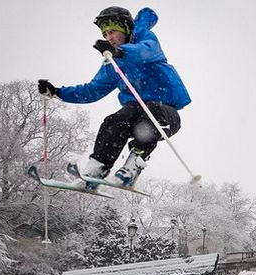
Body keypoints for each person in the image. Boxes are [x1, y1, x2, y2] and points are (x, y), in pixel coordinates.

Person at [38, 7, 191, 189]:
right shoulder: (112, 63)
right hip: (134, 112)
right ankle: (96, 169)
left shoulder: (145, 38)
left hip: (166, 114)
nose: (109, 37)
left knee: (150, 113)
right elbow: (92, 90)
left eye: (112, 31)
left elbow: (145, 50)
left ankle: (133, 165)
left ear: (125, 29)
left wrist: (120, 52)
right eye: (105, 34)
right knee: (114, 121)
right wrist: (57, 92)